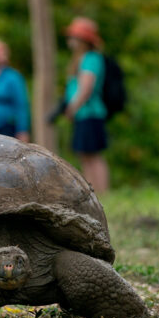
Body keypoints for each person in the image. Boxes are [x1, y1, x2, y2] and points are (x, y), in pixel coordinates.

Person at [63, 17, 110, 193]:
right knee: (85, 155)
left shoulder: (91, 58)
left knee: (93, 155)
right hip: (84, 114)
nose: (70, 41)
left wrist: (72, 108)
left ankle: (102, 191)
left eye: (73, 37)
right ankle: (93, 191)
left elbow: (86, 87)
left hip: (90, 112)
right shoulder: (81, 58)